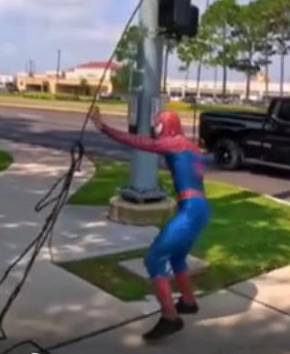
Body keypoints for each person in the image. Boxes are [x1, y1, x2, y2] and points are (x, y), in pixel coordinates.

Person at [89, 106, 212, 341]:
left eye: (159, 127)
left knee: (154, 259)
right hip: (200, 209)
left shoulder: (175, 143)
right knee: (176, 256)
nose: (157, 132)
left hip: (191, 210)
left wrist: (104, 128)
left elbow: (143, 144)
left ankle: (170, 318)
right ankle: (188, 301)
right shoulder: (192, 148)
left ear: (168, 126)